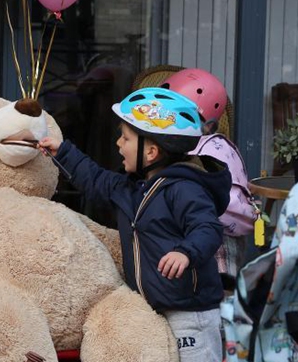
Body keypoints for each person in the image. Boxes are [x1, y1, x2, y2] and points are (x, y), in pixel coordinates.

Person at [38, 87, 231, 362]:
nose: (118, 143)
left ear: (151, 151)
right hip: (152, 310)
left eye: (125, 137)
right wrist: (63, 152)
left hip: (189, 313)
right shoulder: (134, 189)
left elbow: (208, 228)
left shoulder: (185, 188)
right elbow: (96, 180)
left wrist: (186, 252)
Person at [160, 68, 258, 288]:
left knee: (217, 293)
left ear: (207, 126)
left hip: (218, 239)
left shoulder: (205, 152)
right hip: (217, 232)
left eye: (181, 117)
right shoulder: (214, 144)